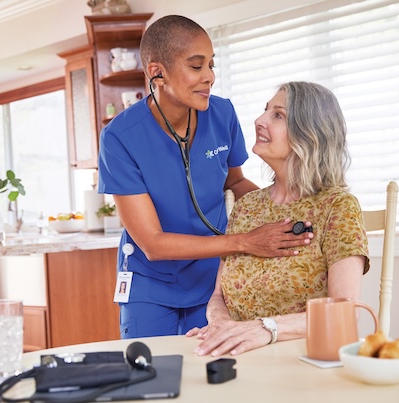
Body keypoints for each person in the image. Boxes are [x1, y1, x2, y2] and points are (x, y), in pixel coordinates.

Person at [97, 16, 312, 339]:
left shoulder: (221, 113)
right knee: (154, 375)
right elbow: (152, 244)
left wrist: (286, 214)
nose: (209, 77)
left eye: (211, 65)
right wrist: (246, 241)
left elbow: (236, 183)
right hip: (150, 284)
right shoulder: (120, 137)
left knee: (213, 372)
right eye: (196, 67)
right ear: (157, 72)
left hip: (211, 280)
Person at [187, 81, 370, 356]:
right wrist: (222, 325)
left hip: (301, 360)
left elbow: (345, 312)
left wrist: (264, 328)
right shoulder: (245, 207)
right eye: (265, 111)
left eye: (278, 115)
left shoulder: (338, 207)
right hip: (238, 355)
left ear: (309, 135)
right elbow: (218, 296)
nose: (259, 121)